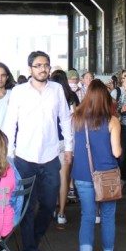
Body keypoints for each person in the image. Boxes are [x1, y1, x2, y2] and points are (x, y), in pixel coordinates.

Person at [3, 50, 73, 251]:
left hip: (51, 156)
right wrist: (8, 153)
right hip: (24, 157)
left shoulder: (57, 90)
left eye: (46, 65)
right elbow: (10, 123)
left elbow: (65, 119)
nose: (43, 69)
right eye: (38, 65)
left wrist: (69, 147)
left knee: (49, 203)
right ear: (30, 69)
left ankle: (33, 237)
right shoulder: (18, 92)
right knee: (27, 204)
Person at [71, 80, 122, 251]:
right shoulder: (112, 121)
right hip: (107, 175)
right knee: (108, 217)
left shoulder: (76, 118)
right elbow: (116, 152)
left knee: (87, 216)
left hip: (83, 174)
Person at [50, 69, 79, 227]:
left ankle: (51, 207)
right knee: (64, 178)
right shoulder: (72, 97)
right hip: (67, 141)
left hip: (50, 141)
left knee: (49, 177)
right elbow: (75, 117)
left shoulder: (50, 95)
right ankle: (61, 212)